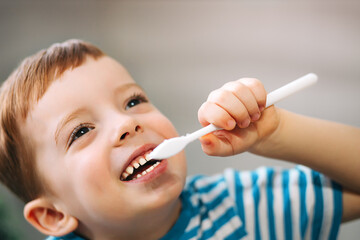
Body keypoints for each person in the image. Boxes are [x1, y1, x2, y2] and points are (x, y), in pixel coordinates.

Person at [0, 39, 359, 240]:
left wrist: (278, 134)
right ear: (51, 215)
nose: (126, 123)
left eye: (133, 101)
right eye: (80, 131)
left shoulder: (238, 207)